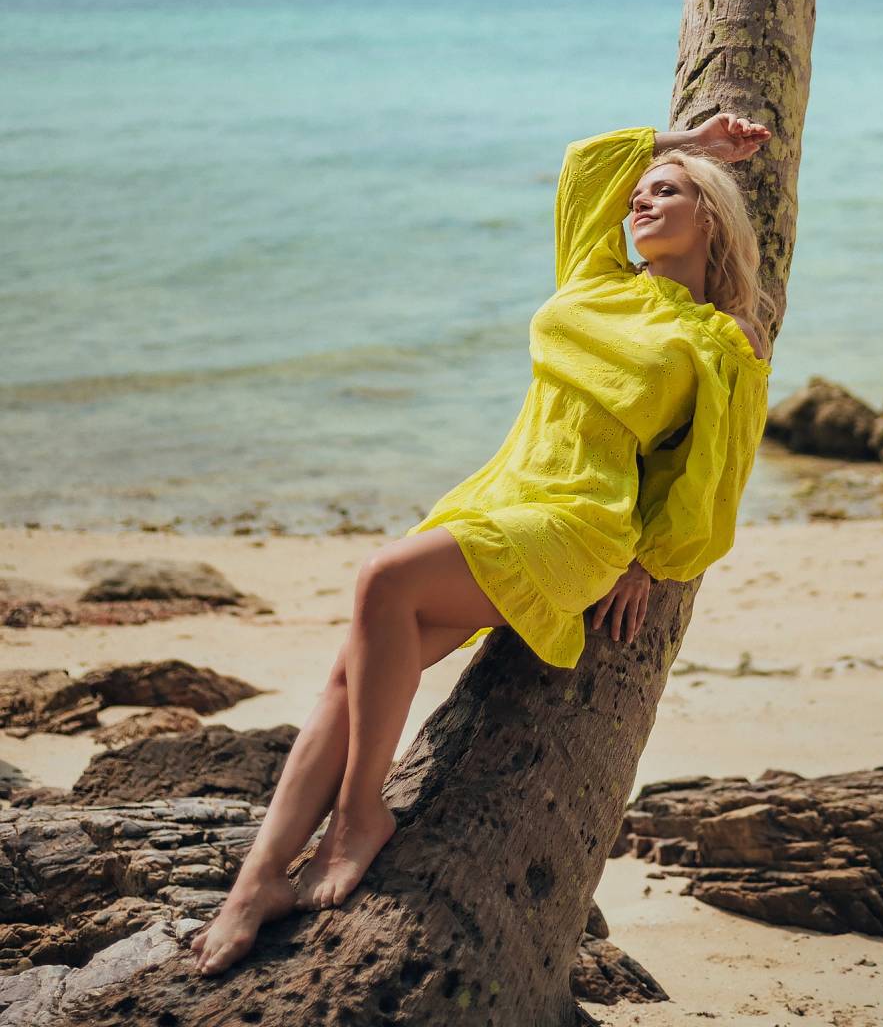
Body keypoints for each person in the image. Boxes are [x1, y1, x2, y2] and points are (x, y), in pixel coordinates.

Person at [191, 113, 773, 977]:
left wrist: (652, 560)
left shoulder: (720, 341)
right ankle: (255, 883)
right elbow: (586, 167)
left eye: (667, 193)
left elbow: (713, 478)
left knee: (383, 579)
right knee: (349, 674)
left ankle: (359, 816)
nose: (641, 202)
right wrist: (687, 144)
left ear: (712, 218)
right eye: (640, 194)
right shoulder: (595, 276)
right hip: (495, 495)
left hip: (577, 524)